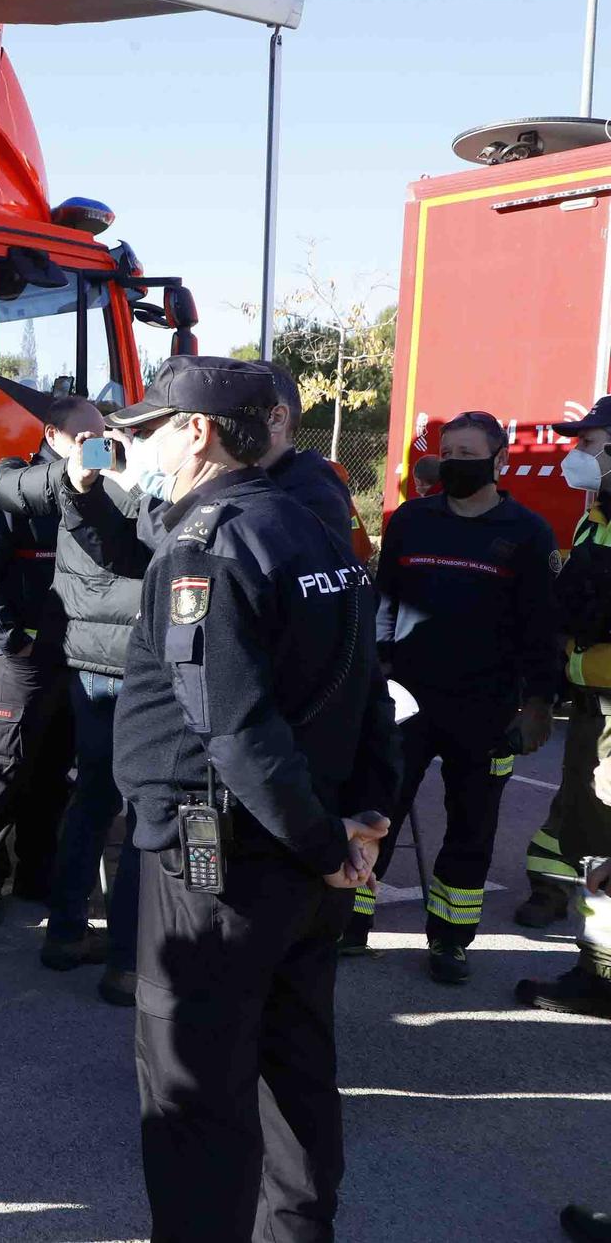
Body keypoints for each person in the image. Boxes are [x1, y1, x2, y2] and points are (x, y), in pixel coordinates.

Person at [107, 356, 398, 1242]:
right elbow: (369, 688)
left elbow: (231, 727)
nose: (139, 447)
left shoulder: (208, 546)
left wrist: (324, 841)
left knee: (196, 1093)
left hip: (223, 864)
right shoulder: (310, 525)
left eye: (150, 429)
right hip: (304, 856)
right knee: (296, 1066)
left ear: (197, 430)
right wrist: (364, 821)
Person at [350, 410, 558, 980]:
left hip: (487, 709)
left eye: (469, 453)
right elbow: (384, 603)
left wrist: (538, 702)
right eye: (449, 452)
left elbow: (540, 627)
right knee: (379, 809)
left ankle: (449, 939)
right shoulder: (411, 521)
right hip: (406, 700)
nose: (456, 464)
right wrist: (375, 675)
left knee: (472, 825)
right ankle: (351, 919)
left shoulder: (527, 533)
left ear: (499, 460)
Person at [0, 397, 147, 1004]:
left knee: (94, 798)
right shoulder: (121, 488)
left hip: (90, 658)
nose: (101, 447)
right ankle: (127, 960)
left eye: (106, 437)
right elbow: (6, 488)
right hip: (130, 661)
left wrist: (85, 476)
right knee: (140, 813)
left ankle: (66, 933)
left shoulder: (75, 489)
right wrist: (112, 477)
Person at [0, 399, 73, 923]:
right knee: (8, 770)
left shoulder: (98, 491)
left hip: (76, 658)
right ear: (53, 434)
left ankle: (37, 872)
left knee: (54, 774)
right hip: (25, 660)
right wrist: (11, 639)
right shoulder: (11, 490)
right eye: (85, 434)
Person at [516, 399, 611, 1019]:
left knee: (605, 838)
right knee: (588, 828)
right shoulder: (596, 518)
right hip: (594, 698)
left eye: (593, 442)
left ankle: (600, 978)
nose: (579, 454)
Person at [263, 362, 372, 559]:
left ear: (277, 418)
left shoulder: (313, 493)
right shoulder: (310, 478)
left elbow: (359, 551)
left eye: (238, 412)